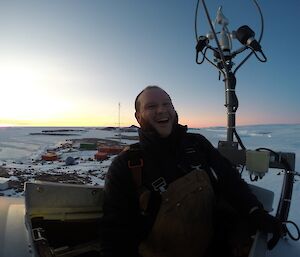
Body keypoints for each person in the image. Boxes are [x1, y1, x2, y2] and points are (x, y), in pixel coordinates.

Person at [100, 85, 283, 257]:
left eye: (167, 104)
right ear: (138, 116)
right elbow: (115, 232)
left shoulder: (198, 144)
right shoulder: (127, 164)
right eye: (151, 106)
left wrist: (254, 211)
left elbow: (230, 181)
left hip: (213, 248)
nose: (162, 110)